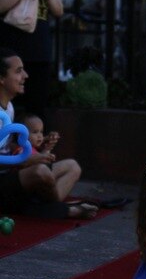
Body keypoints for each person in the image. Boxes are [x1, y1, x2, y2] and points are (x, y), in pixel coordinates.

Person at [0, 47, 96, 219]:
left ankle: (52, 207)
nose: (26, 76)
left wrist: (38, 149)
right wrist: (27, 159)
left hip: (13, 174)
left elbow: (6, 147)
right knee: (40, 172)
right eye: (18, 71)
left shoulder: (9, 108)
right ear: (1, 78)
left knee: (72, 166)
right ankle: (61, 209)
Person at [0, 0, 64, 120]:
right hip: (10, 58)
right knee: (7, 110)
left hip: (39, 56)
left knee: (37, 110)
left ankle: (35, 148)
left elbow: (58, 10)